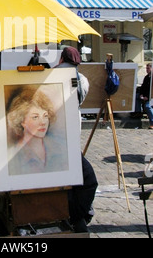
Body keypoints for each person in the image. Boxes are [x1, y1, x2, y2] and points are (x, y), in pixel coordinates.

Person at [56, 47, 98, 233]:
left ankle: (68, 208)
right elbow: (82, 98)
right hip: (74, 122)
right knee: (75, 168)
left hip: (56, 124)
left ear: (62, 58)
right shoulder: (83, 79)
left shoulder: (52, 73)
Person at [6, 86, 68, 175]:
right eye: (35, 117)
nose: (43, 122)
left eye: (45, 116)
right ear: (22, 120)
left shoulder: (58, 148)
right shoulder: (13, 156)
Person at [140, 63, 153, 129]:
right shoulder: (146, 77)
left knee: (148, 106)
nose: (147, 70)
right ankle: (137, 114)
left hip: (151, 98)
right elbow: (143, 87)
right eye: (146, 68)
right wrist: (141, 94)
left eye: (148, 68)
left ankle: (152, 123)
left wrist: (148, 97)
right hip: (146, 97)